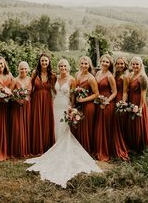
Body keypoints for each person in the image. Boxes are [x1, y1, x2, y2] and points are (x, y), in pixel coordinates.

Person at [25, 59, 102, 188]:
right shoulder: (55, 77)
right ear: (58, 67)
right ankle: (53, 146)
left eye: (65, 66)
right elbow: (51, 91)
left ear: (69, 67)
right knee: (54, 128)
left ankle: (61, 151)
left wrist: (72, 108)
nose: (63, 68)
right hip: (54, 106)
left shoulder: (72, 79)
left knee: (63, 129)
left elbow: (73, 96)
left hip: (65, 107)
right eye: (61, 66)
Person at [94, 54, 128, 161]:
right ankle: (98, 148)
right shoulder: (98, 73)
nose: (104, 63)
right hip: (99, 102)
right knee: (99, 126)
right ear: (100, 62)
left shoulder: (109, 76)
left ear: (110, 64)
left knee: (106, 127)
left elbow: (115, 92)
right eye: (103, 61)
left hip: (107, 104)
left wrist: (106, 101)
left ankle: (106, 150)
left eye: (107, 62)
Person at [30, 53, 56, 156]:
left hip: (47, 101)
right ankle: (36, 147)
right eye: (42, 61)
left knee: (46, 121)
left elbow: (54, 89)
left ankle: (46, 146)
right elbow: (30, 88)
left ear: (49, 62)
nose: (44, 62)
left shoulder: (52, 75)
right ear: (39, 62)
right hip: (36, 100)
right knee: (37, 121)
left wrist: (65, 97)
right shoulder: (34, 73)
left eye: (46, 61)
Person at [72, 56, 99, 155]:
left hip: (88, 106)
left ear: (89, 65)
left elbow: (96, 94)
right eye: (82, 63)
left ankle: (86, 150)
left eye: (86, 64)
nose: (83, 65)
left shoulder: (91, 78)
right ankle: (77, 149)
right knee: (78, 127)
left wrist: (83, 99)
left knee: (86, 128)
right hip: (79, 105)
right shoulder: (77, 74)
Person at [9, 61, 31, 158]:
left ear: (28, 69)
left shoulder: (31, 79)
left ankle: (27, 148)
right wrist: (17, 99)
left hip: (27, 106)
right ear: (18, 69)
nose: (24, 70)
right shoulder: (14, 80)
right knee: (17, 127)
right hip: (17, 106)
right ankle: (17, 150)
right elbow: (9, 93)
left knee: (27, 125)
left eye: (25, 68)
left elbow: (31, 93)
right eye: (22, 68)